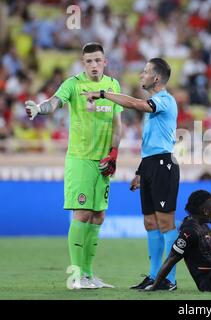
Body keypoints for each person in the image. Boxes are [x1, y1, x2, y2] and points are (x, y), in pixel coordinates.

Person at [25, 42, 122, 289]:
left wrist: (114, 153)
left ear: (105, 61)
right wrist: (39, 108)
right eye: (88, 61)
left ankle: (89, 275)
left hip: (103, 162)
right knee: (83, 213)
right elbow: (54, 102)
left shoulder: (113, 86)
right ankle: (76, 277)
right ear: (83, 63)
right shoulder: (73, 84)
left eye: (97, 60)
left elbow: (117, 123)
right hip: (80, 159)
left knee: (98, 216)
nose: (93, 65)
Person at [82, 58, 180, 291]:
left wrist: (104, 94)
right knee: (150, 222)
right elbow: (152, 143)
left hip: (164, 164)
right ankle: (154, 276)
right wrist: (141, 171)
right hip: (150, 164)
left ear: (156, 78)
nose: (141, 75)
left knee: (165, 222)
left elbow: (138, 104)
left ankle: (170, 279)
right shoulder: (156, 103)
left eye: (145, 71)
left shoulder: (165, 100)